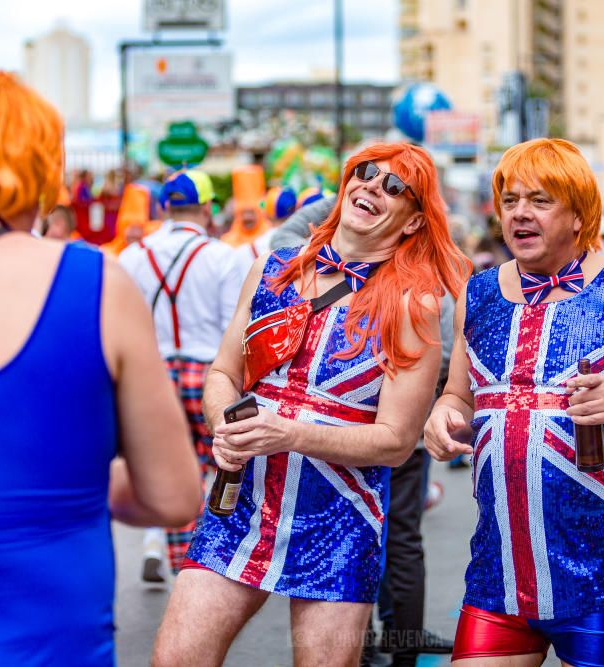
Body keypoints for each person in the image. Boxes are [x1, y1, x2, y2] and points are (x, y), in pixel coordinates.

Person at [0, 71, 200, 665]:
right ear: (38, 169)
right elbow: (172, 496)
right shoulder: (95, 287)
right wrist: (56, 483)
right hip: (48, 646)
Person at [153, 142, 471, 667]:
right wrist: (222, 424)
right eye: (366, 174)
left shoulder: (413, 303)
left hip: (338, 520)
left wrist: (289, 433)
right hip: (240, 504)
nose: (372, 186)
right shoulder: (270, 270)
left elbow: (395, 442)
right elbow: (223, 374)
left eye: (395, 187)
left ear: (414, 223)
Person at [423, 137, 604, 667]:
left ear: (579, 215)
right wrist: (444, 415)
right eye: (510, 200)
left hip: (603, 564)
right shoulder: (477, 294)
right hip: (498, 564)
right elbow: (457, 392)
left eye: (541, 200)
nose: (520, 214)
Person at [119, 169, 251, 579]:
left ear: (163, 208)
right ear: (210, 209)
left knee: (167, 472)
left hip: (152, 375)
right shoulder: (224, 257)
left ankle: (176, 556)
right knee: (222, 469)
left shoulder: (132, 256)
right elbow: (237, 328)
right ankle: (208, 563)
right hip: (208, 375)